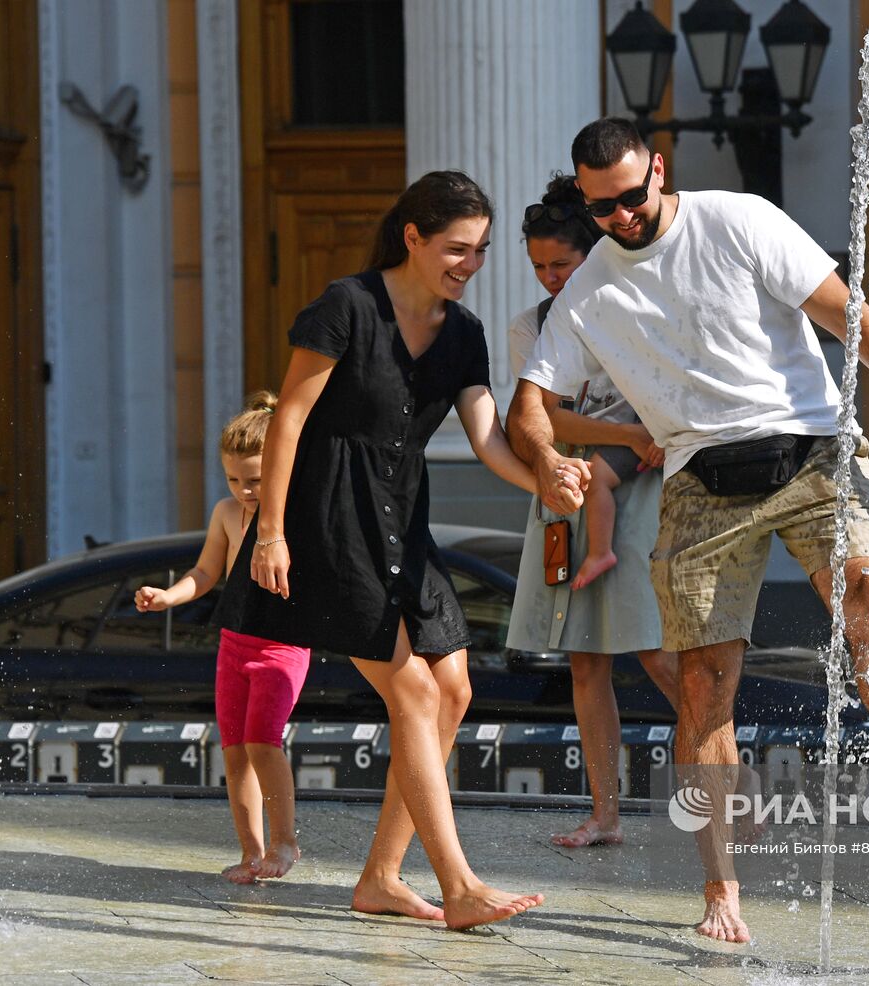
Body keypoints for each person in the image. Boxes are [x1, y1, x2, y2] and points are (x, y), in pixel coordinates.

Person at [508, 118, 869, 943]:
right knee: (702, 688)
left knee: (868, 585)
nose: (619, 217)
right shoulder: (587, 293)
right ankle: (721, 888)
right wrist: (547, 461)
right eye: (599, 208)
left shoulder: (740, 219)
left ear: (658, 169)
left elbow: (849, 319)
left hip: (809, 454)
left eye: (628, 197)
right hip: (700, 481)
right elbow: (529, 408)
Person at [218, 171, 583, 930]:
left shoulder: (464, 333)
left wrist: (541, 484)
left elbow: (486, 436)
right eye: (456, 248)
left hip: (400, 525)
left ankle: (382, 877)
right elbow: (288, 419)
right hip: (324, 523)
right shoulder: (346, 306)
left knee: (453, 692)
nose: (469, 264)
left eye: (481, 252)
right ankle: (457, 885)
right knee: (414, 692)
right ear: (412, 237)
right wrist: (273, 531)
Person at [506, 174, 679, 848]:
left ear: (593, 253)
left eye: (562, 264)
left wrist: (628, 437)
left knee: (659, 656)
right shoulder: (532, 326)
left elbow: (659, 401)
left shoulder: (632, 309)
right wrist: (627, 432)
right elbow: (543, 416)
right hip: (564, 495)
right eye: (539, 267)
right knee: (583, 661)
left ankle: (734, 786)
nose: (550, 278)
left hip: (636, 488)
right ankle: (606, 814)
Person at [135, 391, 308, 883]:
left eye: (255, 480)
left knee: (262, 742)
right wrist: (169, 597)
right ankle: (252, 852)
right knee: (234, 750)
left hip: (281, 644)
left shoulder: (294, 515)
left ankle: (285, 841)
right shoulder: (226, 514)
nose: (244, 490)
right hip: (235, 643)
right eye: (234, 479)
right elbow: (207, 572)